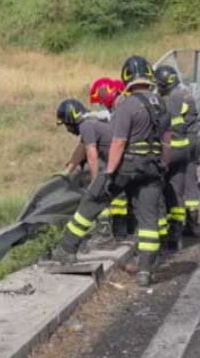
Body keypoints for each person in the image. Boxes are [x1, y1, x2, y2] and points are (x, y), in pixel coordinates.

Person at [52, 56, 168, 287]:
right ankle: (145, 270)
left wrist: (108, 174)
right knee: (148, 219)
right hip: (153, 167)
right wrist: (162, 165)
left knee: (93, 200)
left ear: (126, 77)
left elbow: (118, 142)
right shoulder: (160, 103)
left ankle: (67, 248)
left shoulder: (127, 104)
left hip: (129, 164)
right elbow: (167, 139)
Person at [57, 99, 117, 248]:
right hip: (120, 162)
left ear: (72, 120)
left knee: (96, 195)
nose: (67, 130)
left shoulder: (86, 126)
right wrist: (67, 170)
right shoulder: (91, 123)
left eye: (66, 124)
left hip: (120, 164)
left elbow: (91, 154)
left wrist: (95, 181)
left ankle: (105, 235)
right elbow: (81, 148)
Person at [155, 65, 198, 251]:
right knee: (185, 187)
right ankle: (182, 230)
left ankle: (166, 235)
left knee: (164, 191)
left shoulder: (172, 99)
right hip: (188, 145)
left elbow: (165, 127)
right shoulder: (186, 94)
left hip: (173, 149)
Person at [90, 77, 134, 238]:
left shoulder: (121, 109)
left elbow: (119, 139)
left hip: (129, 160)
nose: (102, 106)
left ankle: (120, 230)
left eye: (101, 102)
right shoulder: (126, 104)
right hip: (141, 158)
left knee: (119, 193)